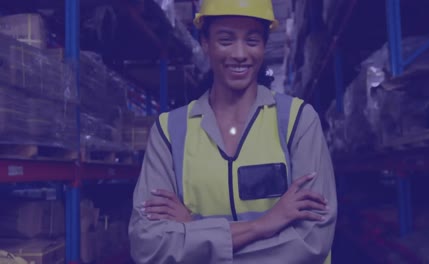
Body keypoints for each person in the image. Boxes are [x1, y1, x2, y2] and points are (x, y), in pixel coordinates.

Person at [128, 0, 337, 263]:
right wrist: (262, 225)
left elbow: (311, 241)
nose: (240, 54)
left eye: (252, 41)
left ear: (263, 44)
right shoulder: (169, 132)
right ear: (205, 43)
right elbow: (147, 245)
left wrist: (194, 228)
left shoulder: (298, 122)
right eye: (226, 40)